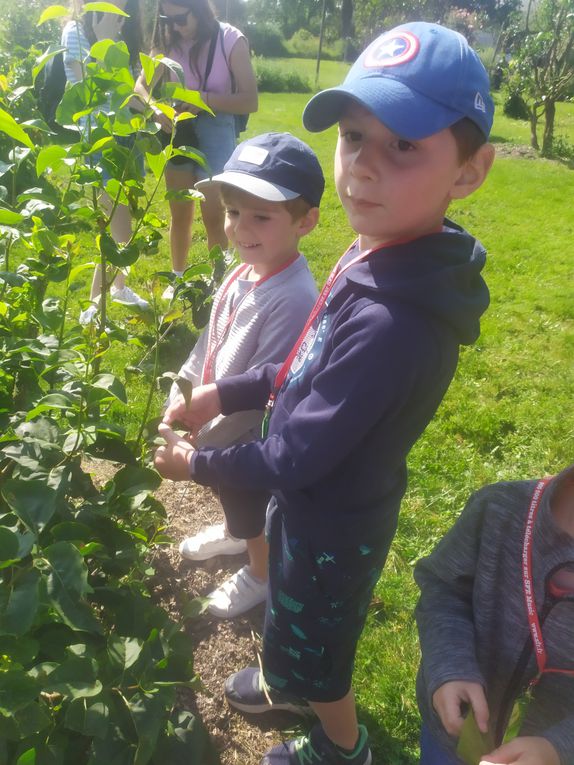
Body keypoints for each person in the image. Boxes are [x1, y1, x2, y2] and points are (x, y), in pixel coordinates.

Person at [154, 21, 496, 765]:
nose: (362, 169)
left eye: (404, 144)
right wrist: (227, 390)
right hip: (317, 507)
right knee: (296, 627)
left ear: (469, 171)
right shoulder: (379, 252)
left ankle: (340, 743)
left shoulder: (394, 320)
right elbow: (307, 367)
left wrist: (198, 464)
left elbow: (292, 452)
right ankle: (289, 676)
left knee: (321, 647)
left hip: (331, 524)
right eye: (352, 136)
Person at [168, 132, 323, 618]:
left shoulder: (292, 298)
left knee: (247, 504)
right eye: (234, 212)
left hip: (243, 443)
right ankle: (237, 535)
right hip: (212, 429)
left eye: (261, 216)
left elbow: (265, 394)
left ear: (306, 222)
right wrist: (183, 391)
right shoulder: (241, 272)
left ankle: (259, 570)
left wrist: (204, 441)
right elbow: (208, 342)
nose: (239, 228)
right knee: (232, 502)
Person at [415, 465, 574, 765]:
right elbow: (443, 588)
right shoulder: (499, 510)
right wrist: (450, 665)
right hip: (455, 733)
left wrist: (558, 748)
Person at [137, 0, 258, 299]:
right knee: (179, 212)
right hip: (177, 133)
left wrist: (202, 98)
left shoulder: (231, 40)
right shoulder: (167, 40)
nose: (174, 26)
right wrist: (153, 108)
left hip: (217, 131)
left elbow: (249, 100)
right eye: (167, 19)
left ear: (199, 9)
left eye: (181, 19)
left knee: (214, 215)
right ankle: (178, 279)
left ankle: (219, 285)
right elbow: (139, 86)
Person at [61, 0, 150, 325]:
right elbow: (89, 88)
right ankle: (94, 305)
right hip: (102, 138)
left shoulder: (124, 29)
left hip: (128, 137)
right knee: (115, 224)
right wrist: (102, 41)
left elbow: (128, 93)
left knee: (122, 225)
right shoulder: (76, 30)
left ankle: (118, 288)